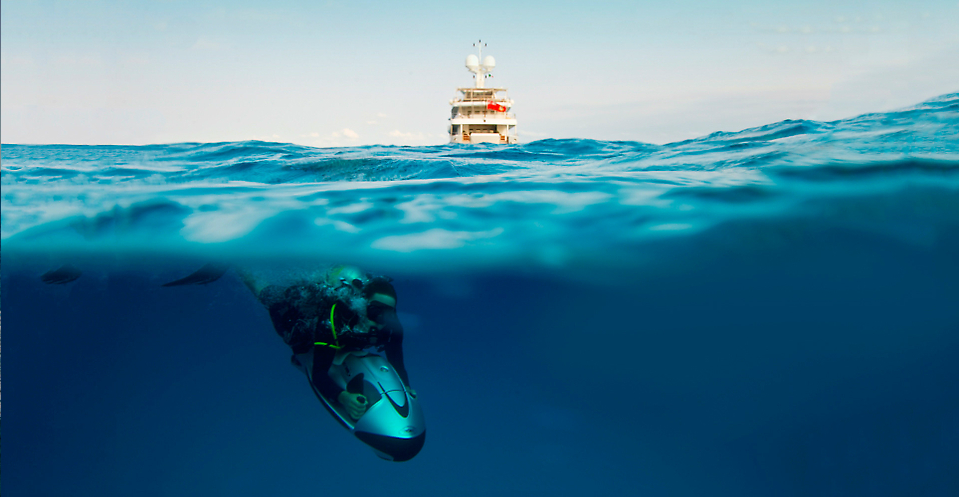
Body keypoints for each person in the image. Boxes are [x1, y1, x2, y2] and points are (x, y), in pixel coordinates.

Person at [238, 265, 414, 421]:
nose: (381, 321)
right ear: (361, 305)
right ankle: (242, 269)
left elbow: (397, 362)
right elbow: (319, 374)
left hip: (341, 340)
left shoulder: (391, 327)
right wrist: (343, 397)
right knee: (274, 303)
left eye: (388, 315)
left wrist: (405, 386)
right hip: (299, 317)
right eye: (375, 312)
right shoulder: (335, 320)